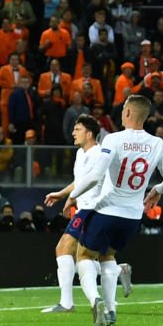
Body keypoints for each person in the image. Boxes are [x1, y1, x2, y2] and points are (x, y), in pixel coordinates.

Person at [63, 96, 163, 326]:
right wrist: (156, 189)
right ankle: (111, 309)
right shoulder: (158, 144)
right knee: (108, 256)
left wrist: (69, 196)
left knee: (84, 256)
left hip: (107, 209)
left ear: (126, 113)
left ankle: (95, 300)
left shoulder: (113, 139)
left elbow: (95, 176)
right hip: (132, 216)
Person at [41, 115, 127, 313]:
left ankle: (67, 303)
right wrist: (62, 194)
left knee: (65, 250)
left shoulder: (98, 153)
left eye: (77, 129)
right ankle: (117, 271)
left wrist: (70, 198)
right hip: (85, 207)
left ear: (89, 134)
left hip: (93, 208)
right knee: (87, 257)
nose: (73, 133)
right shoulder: (82, 153)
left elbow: (93, 181)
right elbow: (79, 181)